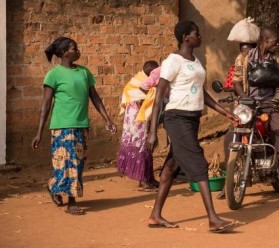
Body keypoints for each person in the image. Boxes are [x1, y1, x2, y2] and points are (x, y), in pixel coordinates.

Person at [146, 20, 238, 232]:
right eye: (197, 34)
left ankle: (155, 215)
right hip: (176, 118)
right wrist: (152, 131)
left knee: (171, 166)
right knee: (198, 163)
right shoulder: (173, 61)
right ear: (186, 37)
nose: (200, 37)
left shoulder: (196, 61)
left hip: (192, 118)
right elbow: (159, 95)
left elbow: (202, 92)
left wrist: (224, 112)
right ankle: (213, 219)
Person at [31, 37, 117, 215]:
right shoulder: (54, 75)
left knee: (77, 164)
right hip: (62, 126)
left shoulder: (84, 73)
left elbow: (95, 97)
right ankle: (72, 202)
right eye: (74, 48)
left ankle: (53, 186)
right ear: (64, 53)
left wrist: (107, 119)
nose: (78, 51)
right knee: (68, 164)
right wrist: (39, 132)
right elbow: (46, 105)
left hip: (81, 125)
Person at [232, 27, 279, 202]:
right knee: (230, 137)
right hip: (249, 106)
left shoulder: (278, 59)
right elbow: (236, 82)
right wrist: (244, 98)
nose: (277, 44)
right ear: (264, 40)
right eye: (274, 41)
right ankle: (232, 177)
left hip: (272, 105)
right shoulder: (244, 58)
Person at [217, 42, 256, 200]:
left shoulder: (264, 64)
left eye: (249, 50)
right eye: (243, 51)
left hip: (262, 106)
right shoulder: (237, 65)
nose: (246, 54)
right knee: (230, 138)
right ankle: (230, 181)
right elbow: (231, 83)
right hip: (243, 108)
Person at [116, 60, 161, 191]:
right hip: (137, 122)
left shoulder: (147, 82)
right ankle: (144, 180)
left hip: (143, 120)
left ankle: (149, 178)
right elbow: (141, 100)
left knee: (148, 149)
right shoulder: (138, 83)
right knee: (142, 147)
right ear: (150, 72)